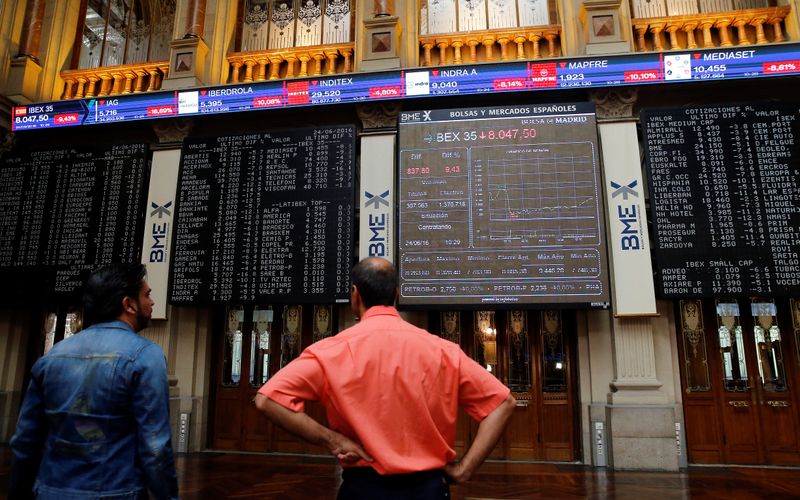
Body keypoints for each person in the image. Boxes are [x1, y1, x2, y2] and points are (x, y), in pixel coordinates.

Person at [255, 257, 516, 499]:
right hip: (429, 489)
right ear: (396, 295)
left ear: (355, 294)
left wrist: (334, 441)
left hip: (362, 488)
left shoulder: (330, 351)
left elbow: (267, 400)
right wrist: (464, 469)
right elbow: (503, 403)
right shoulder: (443, 350)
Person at [9, 264, 178, 500]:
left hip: (50, 491)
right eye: (147, 295)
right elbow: (155, 448)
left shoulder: (52, 356)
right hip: (115, 492)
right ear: (128, 304)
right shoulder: (145, 356)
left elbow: (25, 442)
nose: (152, 303)